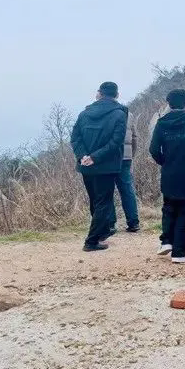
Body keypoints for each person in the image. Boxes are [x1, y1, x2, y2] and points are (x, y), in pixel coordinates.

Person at [149, 88, 185, 263]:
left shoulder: (161, 123)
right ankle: (179, 253)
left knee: (168, 206)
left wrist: (164, 162)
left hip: (169, 171)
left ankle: (166, 241)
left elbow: (153, 149)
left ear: (168, 103)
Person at [70, 82, 129, 252]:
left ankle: (101, 232)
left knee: (95, 200)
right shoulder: (119, 114)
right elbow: (116, 142)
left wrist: (83, 156)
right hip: (106, 165)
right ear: (116, 95)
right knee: (103, 202)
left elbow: (75, 138)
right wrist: (95, 158)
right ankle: (92, 241)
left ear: (99, 94)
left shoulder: (84, 113)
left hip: (86, 165)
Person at [108, 120, 140, 234]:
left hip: (109, 157)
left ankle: (110, 224)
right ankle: (133, 223)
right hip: (126, 157)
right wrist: (131, 155)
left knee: (108, 189)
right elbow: (134, 137)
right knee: (127, 189)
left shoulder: (105, 112)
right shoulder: (128, 114)